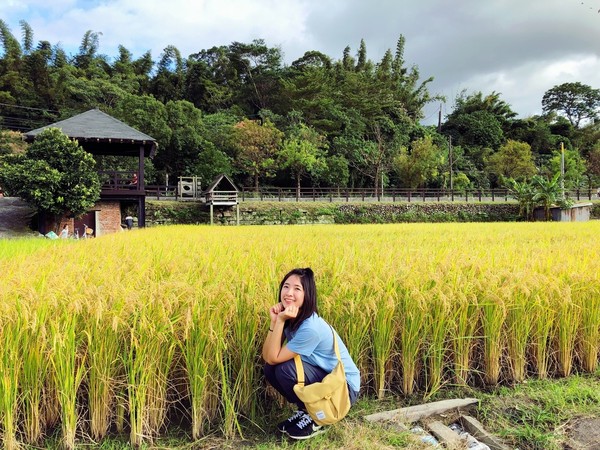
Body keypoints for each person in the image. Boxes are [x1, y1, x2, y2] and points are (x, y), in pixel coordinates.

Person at [262, 267, 360, 440]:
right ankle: (306, 410)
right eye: (286, 286)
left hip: (343, 387)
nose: (289, 293)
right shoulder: (293, 318)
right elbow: (268, 357)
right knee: (270, 369)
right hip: (325, 377)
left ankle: (318, 417)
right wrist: (275, 321)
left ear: (307, 294)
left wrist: (281, 320)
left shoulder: (310, 327)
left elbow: (273, 356)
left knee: (284, 369)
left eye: (297, 289)